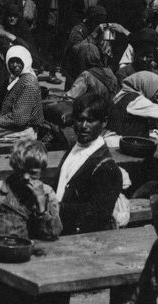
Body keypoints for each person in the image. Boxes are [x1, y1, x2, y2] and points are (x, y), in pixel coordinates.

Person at [53, 93, 124, 234]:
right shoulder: (74, 147)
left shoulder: (106, 167)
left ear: (104, 122)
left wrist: (55, 207)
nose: (84, 126)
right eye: (80, 119)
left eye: (90, 120)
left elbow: (98, 214)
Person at [0, 138, 62, 239]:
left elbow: (54, 233)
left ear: (42, 171)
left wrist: (41, 207)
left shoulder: (47, 193)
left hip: (38, 252)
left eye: (33, 173)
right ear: (15, 167)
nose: (25, 177)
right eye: (21, 171)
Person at [0, 45, 44, 142]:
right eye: (12, 62)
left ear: (25, 60)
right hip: (9, 124)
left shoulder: (28, 83)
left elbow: (19, 119)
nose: (15, 65)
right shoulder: (15, 78)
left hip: (23, 130)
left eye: (19, 61)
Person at [108, 72, 158, 141]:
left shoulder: (124, 94)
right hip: (131, 144)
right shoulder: (135, 100)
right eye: (155, 89)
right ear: (146, 85)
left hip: (119, 140)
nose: (157, 93)